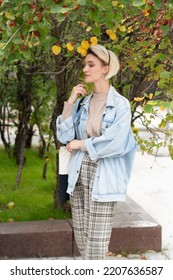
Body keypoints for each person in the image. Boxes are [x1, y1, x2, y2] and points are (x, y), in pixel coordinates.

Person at [56, 44, 136, 260]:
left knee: (96, 246)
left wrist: (81, 144)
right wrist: (70, 103)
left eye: (91, 65)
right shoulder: (82, 103)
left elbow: (116, 142)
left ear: (105, 68)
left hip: (104, 173)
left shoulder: (121, 105)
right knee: (82, 240)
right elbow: (64, 138)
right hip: (78, 171)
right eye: (85, 65)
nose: (85, 69)